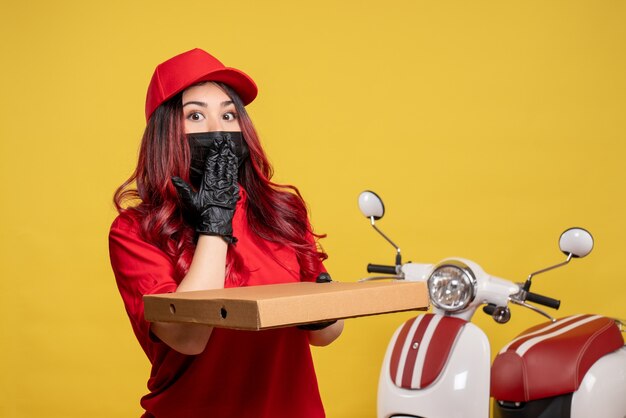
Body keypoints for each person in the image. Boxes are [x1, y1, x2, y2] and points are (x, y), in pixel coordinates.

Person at [109, 48, 343, 418]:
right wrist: (216, 223)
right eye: (196, 114)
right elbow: (189, 338)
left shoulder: (280, 211)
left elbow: (325, 335)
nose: (218, 128)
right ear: (166, 133)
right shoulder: (136, 230)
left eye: (229, 114)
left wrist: (321, 308)